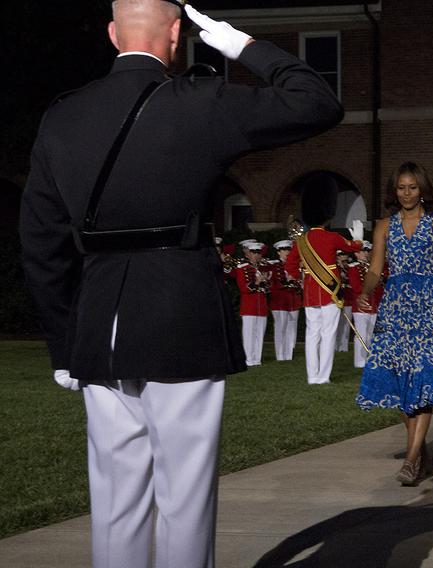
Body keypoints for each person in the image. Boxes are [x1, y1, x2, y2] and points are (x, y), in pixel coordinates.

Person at [18, 1, 343, 565]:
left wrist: (64, 341)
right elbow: (317, 102)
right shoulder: (199, 101)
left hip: (99, 324)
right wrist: (241, 45)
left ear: (113, 33)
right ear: (177, 34)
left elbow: (41, 241)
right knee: (184, 497)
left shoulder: (63, 116)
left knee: (116, 501)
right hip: (180, 311)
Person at [356, 162, 433, 486]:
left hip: (430, 307)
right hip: (395, 308)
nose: (407, 193)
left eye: (412, 187)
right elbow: (375, 269)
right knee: (400, 383)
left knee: (425, 379)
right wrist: (365, 291)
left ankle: (412, 459)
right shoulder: (384, 226)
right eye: (401, 187)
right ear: (394, 191)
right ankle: (420, 452)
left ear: (422, 189)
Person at [285, 219, 362, 384]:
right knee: (328, 335)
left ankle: (312, 376)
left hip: (310, 293)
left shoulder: (301, 241)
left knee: (312, 335)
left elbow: (290, 265)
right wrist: (359, 238)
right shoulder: (332, 236)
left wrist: (301, 277)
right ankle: (323, 376)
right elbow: (354, 247)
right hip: (330, 293)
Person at [347, 242, 383, 368]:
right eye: (363, 251)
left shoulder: (372, 267)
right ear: (356, 253)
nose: (366, 253)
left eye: (367, 251)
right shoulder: (353, 267)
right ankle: (360, 361)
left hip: (374, 305)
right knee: (361, 334)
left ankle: (369, 358)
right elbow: (356, 287)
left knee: (371, 334)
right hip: (361, 306)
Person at [235, 241, 271, 365]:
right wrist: (257, 282)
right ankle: (248, 359)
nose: (256, 255)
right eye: (254, 253)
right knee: (249, 334)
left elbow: (267, 289)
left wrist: (265, 281)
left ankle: (257, 358)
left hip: (261, 306)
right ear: (248, 254)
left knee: (259, 333)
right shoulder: (243, 269)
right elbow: (243, 288)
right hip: (249, 306)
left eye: (258, 253)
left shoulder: (262, 269)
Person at [269, 239, 302, 361]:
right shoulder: (275, 265)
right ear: (278, 252)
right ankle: (280, 355)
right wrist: (289, 281)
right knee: (280, 328)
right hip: (279, 301)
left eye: (289, 249)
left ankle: (288, 355)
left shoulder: (295, 265)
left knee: (291, 328)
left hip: (293, 300)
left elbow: (299, 282)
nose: (287, 252)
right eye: (284, 250)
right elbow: (275, 284)